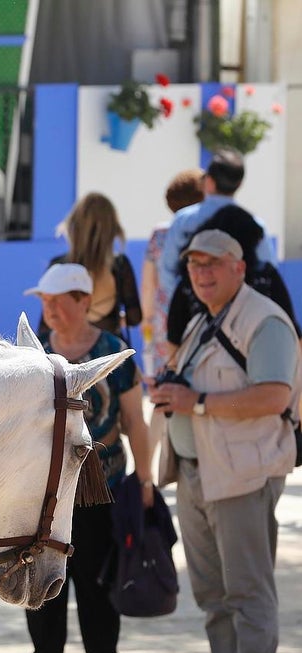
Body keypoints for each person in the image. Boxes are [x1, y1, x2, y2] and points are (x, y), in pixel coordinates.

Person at [150, 229, 299, 653]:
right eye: (194, 265)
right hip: (197, 474)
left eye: (212, 263)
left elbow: (275, 396)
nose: (201, 273)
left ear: (239, 267)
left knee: (247, 595)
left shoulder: (264, 320)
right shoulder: (204, 319)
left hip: (241, 477)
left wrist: (195, 401)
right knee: (213, 596)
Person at [23, 263, 152, 653]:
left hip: (101, 501)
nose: (50, 310)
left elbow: (135, 421)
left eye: (58, 300)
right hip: (44, 505)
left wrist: (145, 482)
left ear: (83, 301)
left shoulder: (113, 351)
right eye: (44, 301)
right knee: (43, 615)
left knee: (100, 612)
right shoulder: (33, 355)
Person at [166, 205, 300, 345]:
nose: (204, 272)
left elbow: (173, 342)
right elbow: (293, 334)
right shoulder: (265, 277)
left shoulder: (189, 284)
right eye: (196, 263)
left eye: (214, 262)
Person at [141, 169, 205, 458]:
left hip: (164, 327)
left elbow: (148, 287)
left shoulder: (159, 235)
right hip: (201, 325)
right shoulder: (205, 232)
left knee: (161, 396)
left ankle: (149, 470)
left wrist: (149, 323)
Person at [158, 148, 275, 301]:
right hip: (240, 310)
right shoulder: (254, 224)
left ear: (209, 181)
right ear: (239, 184)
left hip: (194, 312)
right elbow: (267, 268)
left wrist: (188, 302)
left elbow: (168, 271)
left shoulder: (184, 221)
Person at [40, 193, 141, 341]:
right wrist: (115, 318)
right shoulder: (119, 264)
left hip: (68, 354)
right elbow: (135, 317)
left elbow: (45, 325)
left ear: (74, 225)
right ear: (112, 228)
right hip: (110, 353)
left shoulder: (58, 265)